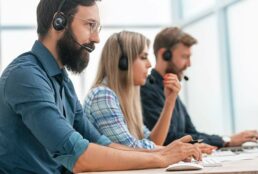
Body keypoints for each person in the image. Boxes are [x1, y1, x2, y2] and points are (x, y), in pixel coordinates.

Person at [0, 1, 202, 173]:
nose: (96, 38)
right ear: (58, 22)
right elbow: (78, 154)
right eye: (90, 25)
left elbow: (100, 142)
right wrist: (161, 159)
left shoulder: (61, 80)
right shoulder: (25, 76)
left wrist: (161, 152)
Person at [83, 31, 214, 153]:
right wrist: (175, 150)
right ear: (124, 63)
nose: (149, 64)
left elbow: (153, 142)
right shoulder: (102, 96)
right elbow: (129, 148)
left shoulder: (126, 99)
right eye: (143, 57)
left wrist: (169, 101)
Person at [141, 27, 258, 148]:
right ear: (164, 54)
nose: (189, 64)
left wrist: (225, 140)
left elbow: (191, 133)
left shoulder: (171, 90)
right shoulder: (146, 90)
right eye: (184, 57)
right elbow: (169, 139)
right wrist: (225, 140)